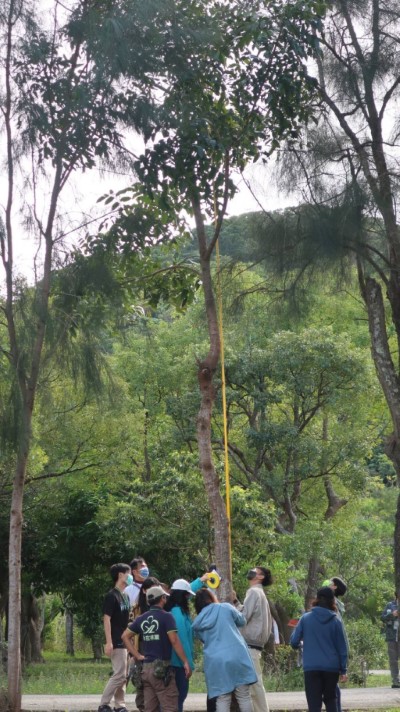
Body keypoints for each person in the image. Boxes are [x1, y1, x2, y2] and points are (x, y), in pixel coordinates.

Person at [122, 584, 191, 712]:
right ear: (163, 599)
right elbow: (174, 641)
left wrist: (137, 655)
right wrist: (185, 662)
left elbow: (125, 636)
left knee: (151, 708)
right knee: (170, 706)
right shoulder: (167, 616)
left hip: (146, 670)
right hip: (162, 669)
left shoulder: (141, 618)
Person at [192, 588, 257, 712]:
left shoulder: (197, 623)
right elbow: (242, 621)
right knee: (244, 696)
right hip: (237, 655)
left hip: (216, 661)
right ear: (211, 598)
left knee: (222, 697)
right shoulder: (225, 608)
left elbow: (203, 640)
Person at [290, 586, 348, 712]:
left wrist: (301, 645)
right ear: (332, 601)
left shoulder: (305, 618)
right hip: (331, 667)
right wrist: (343, 670)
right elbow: (342, 647)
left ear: (316, 599)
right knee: (331, 700)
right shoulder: (336, 621)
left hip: (311, 667)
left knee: (314, 705)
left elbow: (294, 641)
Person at [234, 566, 273, 712]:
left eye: (254, 570)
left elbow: (243, 617)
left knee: (254, 685)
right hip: (255, 646)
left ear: (261, 576)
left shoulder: (253, 592)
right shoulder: (260, 593)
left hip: (250, 646)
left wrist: (233, 604)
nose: (251, 571)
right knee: (253, 686)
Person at [98, 563, 132, 712]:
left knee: (124, 676)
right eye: (128, 573)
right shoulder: (112, 596)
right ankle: (104, 704)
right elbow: (106, 619)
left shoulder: (125, 596)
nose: (130, 576)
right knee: (119, 674)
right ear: (120, 575)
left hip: (125, 640)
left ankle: (120, 705)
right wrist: (109, 642)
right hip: (116, 640)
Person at [129, 576, 161, 712]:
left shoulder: (162, 608)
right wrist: (133, 653)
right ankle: (142, 707)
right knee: (141, 682)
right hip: (141, 648)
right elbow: (128, 633)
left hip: (158, 648)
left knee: (159, 679)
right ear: (144, 591)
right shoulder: (136, 609)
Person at [323, 576, 348, 712]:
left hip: (332, 649)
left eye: (330, 583)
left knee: (332, 688)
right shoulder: (331, 603)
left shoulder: (334, 605)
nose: (327, 583)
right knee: (332, 687)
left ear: (335, 587)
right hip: (333, 650)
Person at [381, 593, 400, 688]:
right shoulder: (390, 605)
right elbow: (382, 617)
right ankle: (395, 681)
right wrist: (392, 615)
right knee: (393, 660)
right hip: (392, 636)